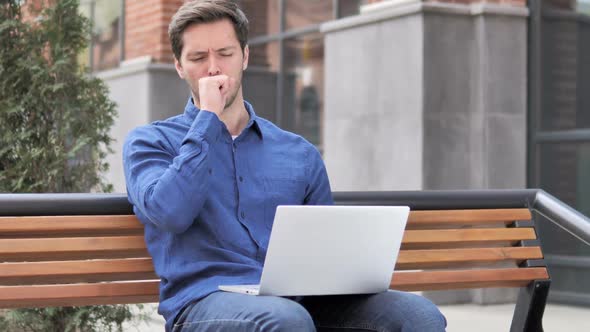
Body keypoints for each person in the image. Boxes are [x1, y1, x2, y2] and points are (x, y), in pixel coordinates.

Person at [123, 1, 447, 331]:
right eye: (198, 58)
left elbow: (328, 248)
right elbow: (171, 212)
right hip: (204, 301)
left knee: (418, 316)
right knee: (284, 320)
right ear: (179, 66)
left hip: (300, 302)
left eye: (225, 53)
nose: (214, 68)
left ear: (245, 57)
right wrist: (208, 118)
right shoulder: (150, 142)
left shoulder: (297, 152)